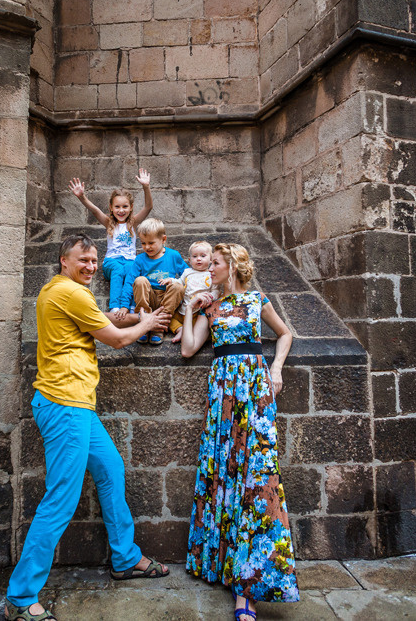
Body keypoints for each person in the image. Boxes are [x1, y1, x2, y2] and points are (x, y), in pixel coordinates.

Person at [5, 234, 172, 621]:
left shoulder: (56, 289)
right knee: (61, 500)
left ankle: (125, 558)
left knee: (111, 468)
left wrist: (129, 318)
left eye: (95, 260)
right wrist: (147, 321)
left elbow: (99, 321)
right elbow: (116, 340)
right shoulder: (72, 293)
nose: (92, 266)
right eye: (83, 260)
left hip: (75, 404)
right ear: (64, 260)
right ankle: (21, 596)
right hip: (66, 405)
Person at [180, 243, 299, 621]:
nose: (209, 269)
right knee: (222, 474)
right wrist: (190, 309)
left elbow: (284, 334)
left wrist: (276, 368)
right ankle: (223, 565)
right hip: (222, 399)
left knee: (258, 478)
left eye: (215, 263)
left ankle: (249, 585)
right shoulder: (210, 306)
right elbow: (188, 349)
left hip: (254, 393)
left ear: (231, 266)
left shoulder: (256, 299)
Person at [68, 168, 153, 314]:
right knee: (118, 270)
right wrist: (82, 197)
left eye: (125, 206)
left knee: (132, 270)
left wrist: (146, 187)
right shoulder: (109, 223)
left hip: (129, 260)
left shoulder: (133, 223)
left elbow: (148, 207)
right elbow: (95, 211)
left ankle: (131, 306)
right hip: (112, 262)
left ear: (131, 208)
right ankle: (115, 306)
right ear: (111, 208)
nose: (121, 210)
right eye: (117, 207)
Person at [115, 217, 187, 345]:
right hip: (148, 297)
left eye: (151, 243)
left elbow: (187, 276)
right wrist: (125, 306)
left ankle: (159, 325)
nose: (147, 247)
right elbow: (129, 282)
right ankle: (144, 322)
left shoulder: (173, 255)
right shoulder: (140, 259)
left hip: (166, 299)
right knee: (140, 280)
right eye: (143, 243)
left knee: (178, 286)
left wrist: (174, 281)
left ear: (163, 239)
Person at [168, 240, 220, 344]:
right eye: (194, 256)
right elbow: (180, 282)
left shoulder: (211, 274)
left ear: (211, 259)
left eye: (203, 256)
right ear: (189, 260)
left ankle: (189, 332)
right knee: (168, 318)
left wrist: (209, 296)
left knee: (201, 327)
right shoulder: (187, 272)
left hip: (198, 311)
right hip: (183, 308)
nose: (198, 259)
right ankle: (180, 329)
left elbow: (216, 291)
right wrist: (171, 280)